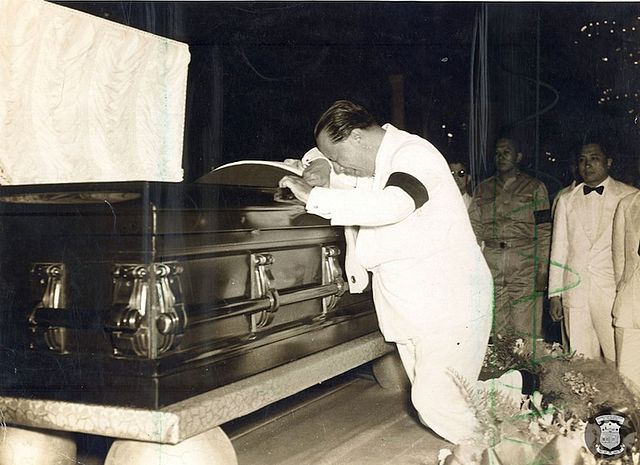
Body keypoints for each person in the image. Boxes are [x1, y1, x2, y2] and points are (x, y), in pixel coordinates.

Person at [279, 100, 537, 445]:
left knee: (433, 402)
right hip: (412, 310)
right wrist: (322, 162)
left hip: (451, 305)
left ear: (356, 137)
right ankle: (516, 389)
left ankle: (501, 451)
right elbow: (319, 154)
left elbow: (394, 204)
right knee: (451, 393)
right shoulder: (368, 164)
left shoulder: (414, 155)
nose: (341, 168)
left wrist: (314, 197)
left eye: (339, 158)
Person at [549, 142, 638, 362]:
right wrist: (555, 294)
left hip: (613, 294)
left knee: (620, 359)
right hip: (575, 291)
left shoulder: (630, 197)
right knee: (580, 361)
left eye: (594, 158)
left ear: (608, 162)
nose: (587, 165)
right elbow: (559, 248)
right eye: (582, 159)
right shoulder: (566, 200)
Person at [468, 137, 551, 346]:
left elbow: (544, 230)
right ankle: (505, 377)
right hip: (492, 261)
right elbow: (474, 229)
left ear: (519, 157)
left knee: (526, 328)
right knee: (496, 327)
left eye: (507, 151)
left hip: (524, 261)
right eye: (497, 152)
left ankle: (527, 376)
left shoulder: (535, 187)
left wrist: (543, 269)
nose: (501, 156)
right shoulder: (483, 189)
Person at [612, 190, 640, 390]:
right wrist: (621, 289)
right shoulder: (628, 203)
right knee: (628, 370)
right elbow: (619, 255)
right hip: (631, 297)